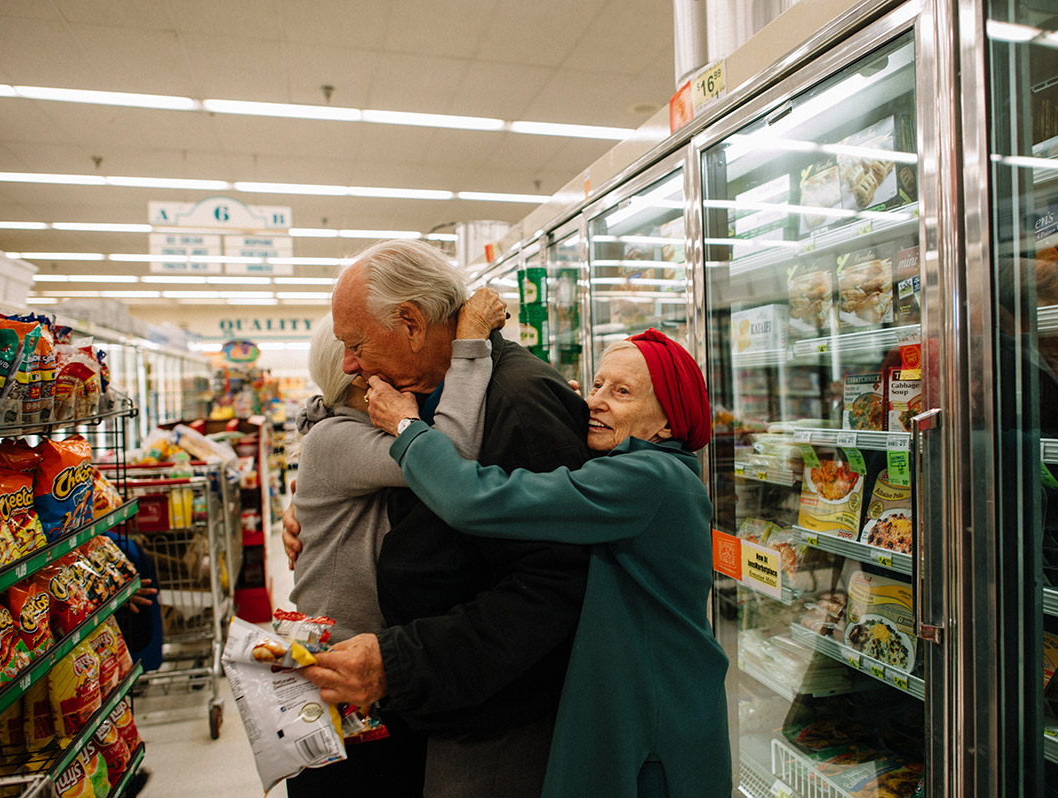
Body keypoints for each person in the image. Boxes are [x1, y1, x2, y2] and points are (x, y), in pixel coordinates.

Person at [347, 327, 732, 798]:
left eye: (623, 392)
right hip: (652, 696)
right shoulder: (647, 469)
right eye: (596, 385)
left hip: (655, 713)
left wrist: (408, 430)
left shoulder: (646, 479)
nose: (596, 402)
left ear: (668, 424)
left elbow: (478, 500)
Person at [285, 239, 591, 798]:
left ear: (410, 323)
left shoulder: (516, 401)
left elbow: (553, 587)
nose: (348, 364)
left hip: (493, 718)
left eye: (355, 345)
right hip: (436, 702)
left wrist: (400, 663)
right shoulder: (428, 391)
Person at [282, 288, 505, 796]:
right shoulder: (339, 437)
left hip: (369, 669)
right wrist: (470, 347)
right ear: (359, 378)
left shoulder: (343, 434)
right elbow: (448, 457)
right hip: (342, 683)